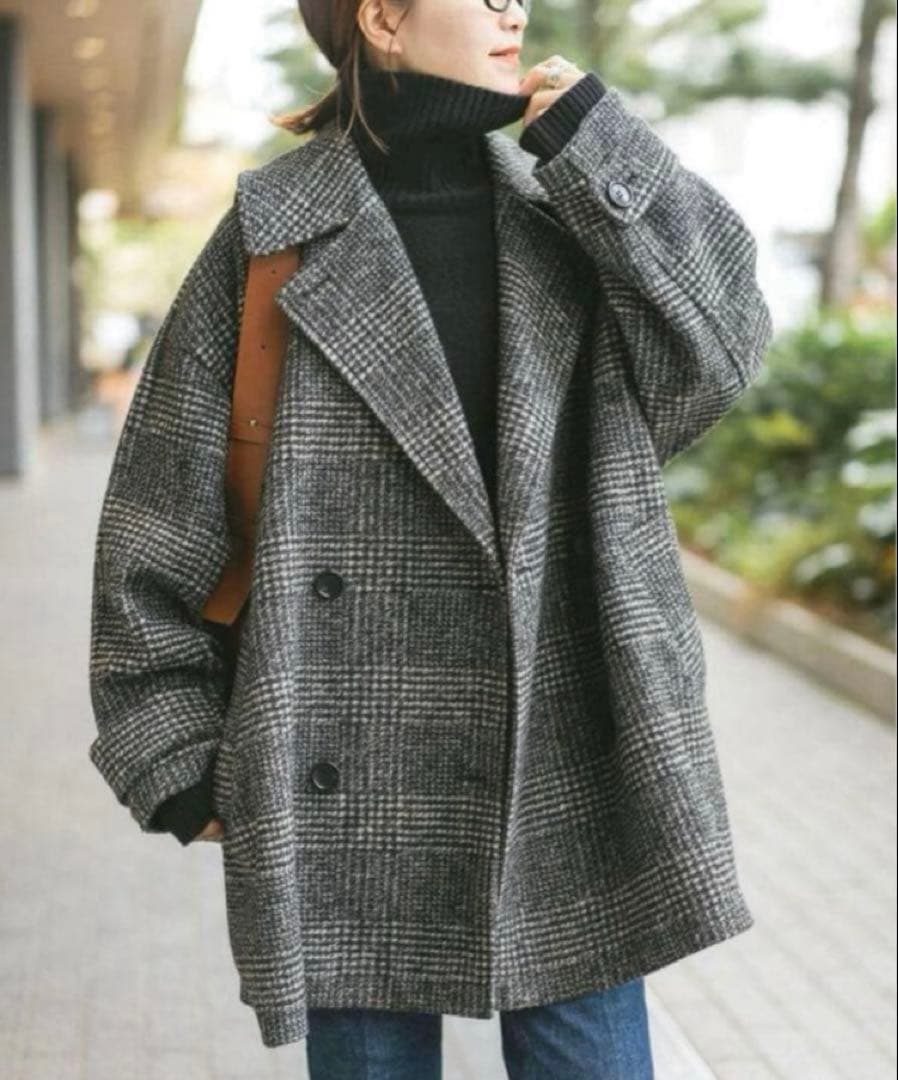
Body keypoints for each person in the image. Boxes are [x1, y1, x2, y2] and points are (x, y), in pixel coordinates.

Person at [88, 0, 772, 1071]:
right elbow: (155, 515)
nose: (513, 6)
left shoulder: (569, 208)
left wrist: (601, 144)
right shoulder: (272, 239)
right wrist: (171, 753)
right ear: (384, 19)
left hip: (564, 749)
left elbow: (723, 353)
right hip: (346, 777)